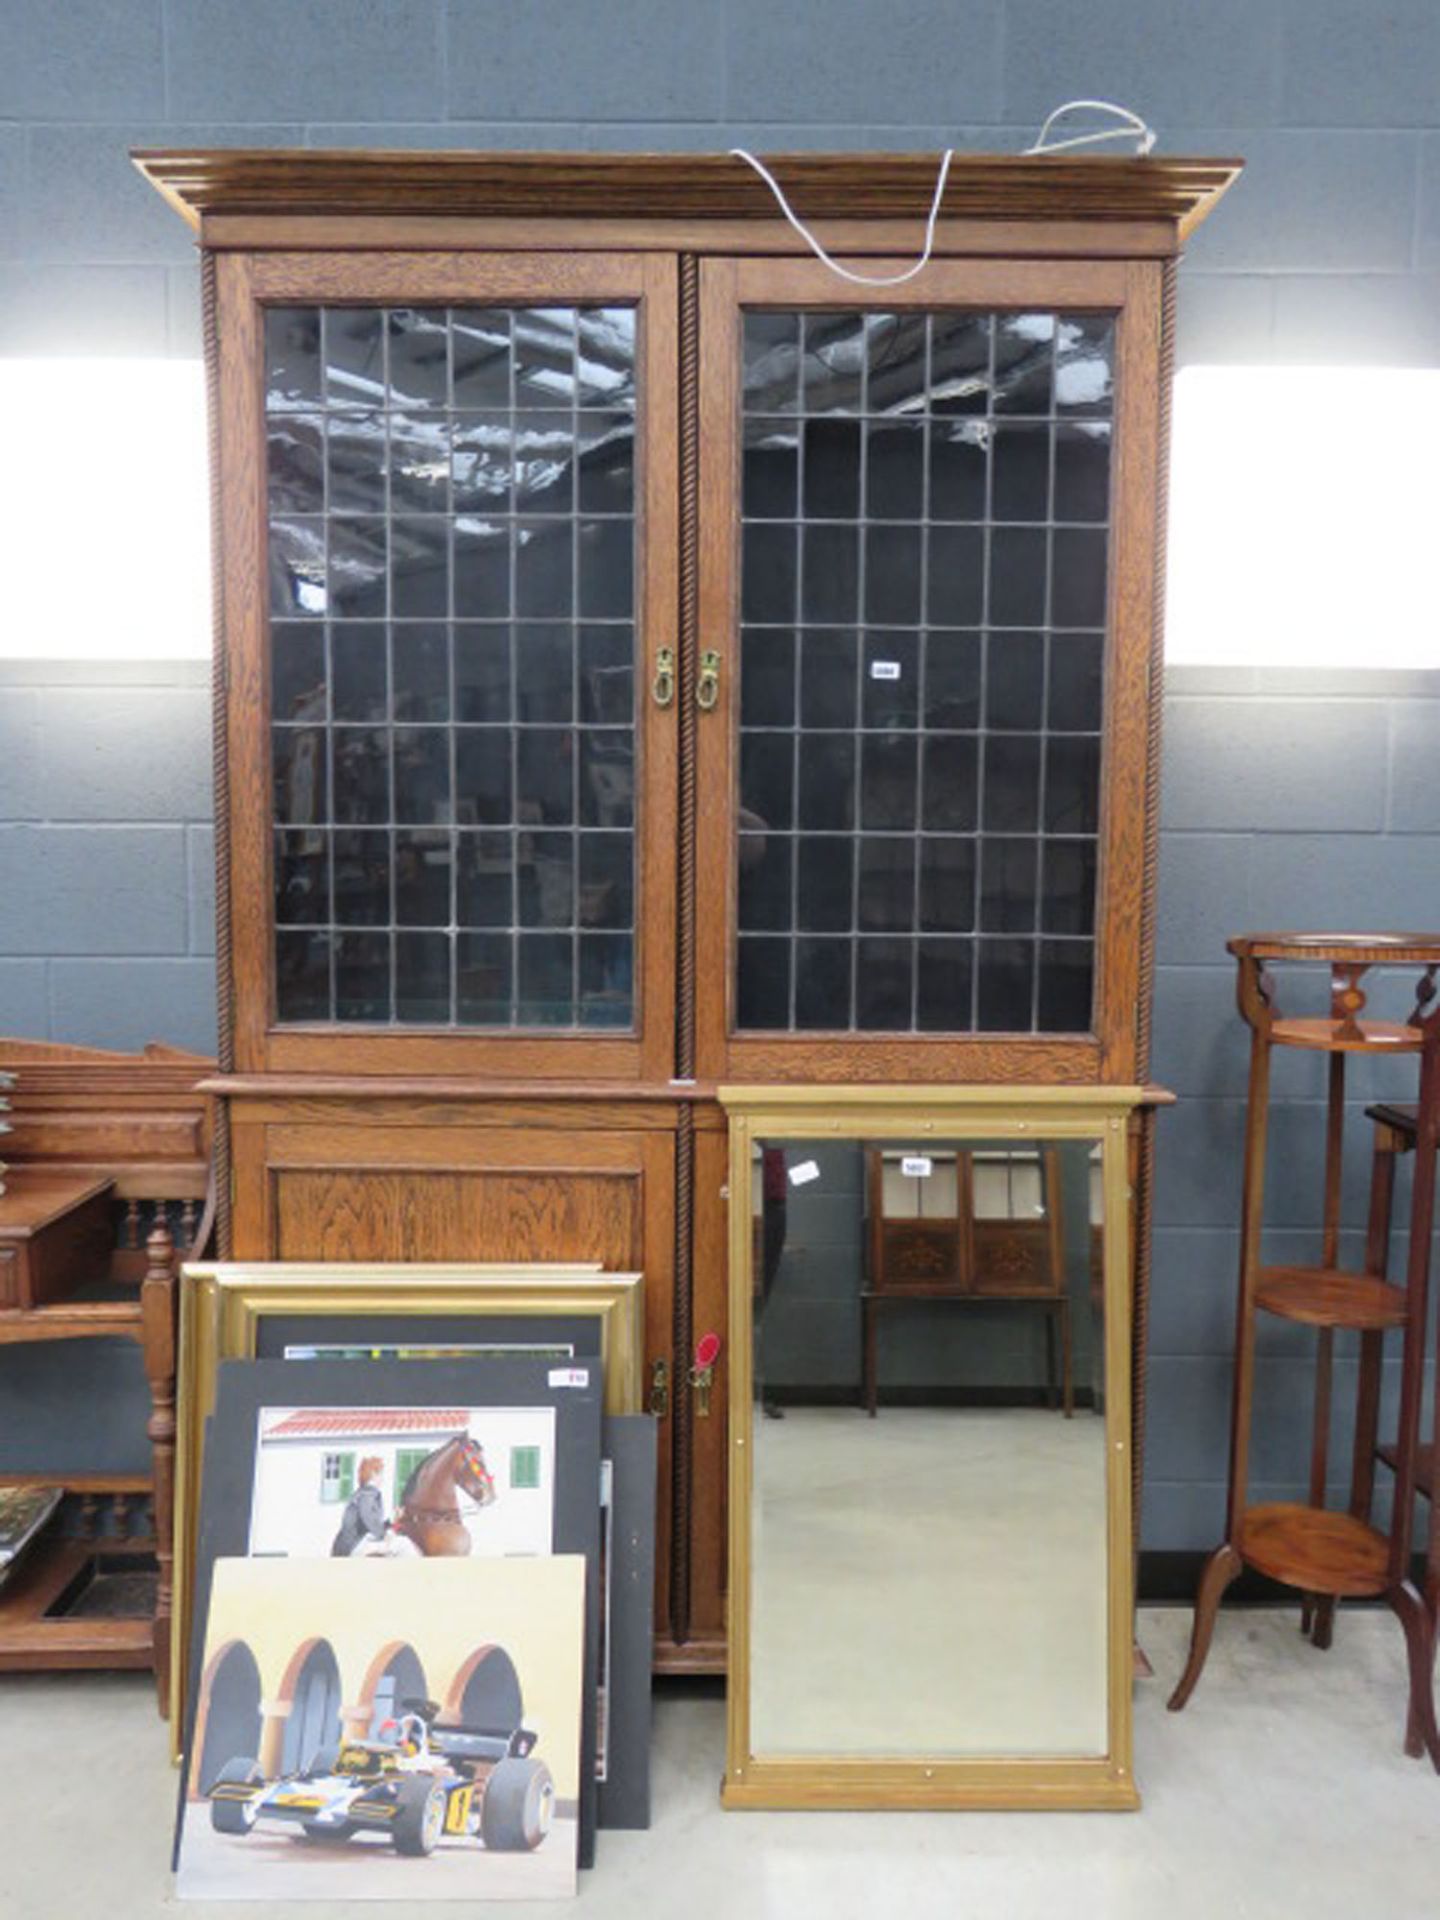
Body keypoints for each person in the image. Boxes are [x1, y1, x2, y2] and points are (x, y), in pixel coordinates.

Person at [330, 1456, 389, 1556]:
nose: (383, 1479)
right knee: (402, 1546)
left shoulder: (361, 1494)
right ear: (374, 1474)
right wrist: (383, 1535)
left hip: (348, 1545)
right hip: (355, 1545)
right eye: (381, 1474)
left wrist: (389, 1524)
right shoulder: (368, 1494)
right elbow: (368, 1518)